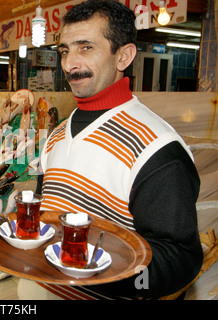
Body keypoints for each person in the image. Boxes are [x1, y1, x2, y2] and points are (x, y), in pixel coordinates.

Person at [37, 0, 202, 299]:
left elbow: (180, 260)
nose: (70, 64)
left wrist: (99, 270)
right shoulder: (57, 135)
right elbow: (44, 215)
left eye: (85, 48)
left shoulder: (158, 150)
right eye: (64, 50)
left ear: (123, 56)